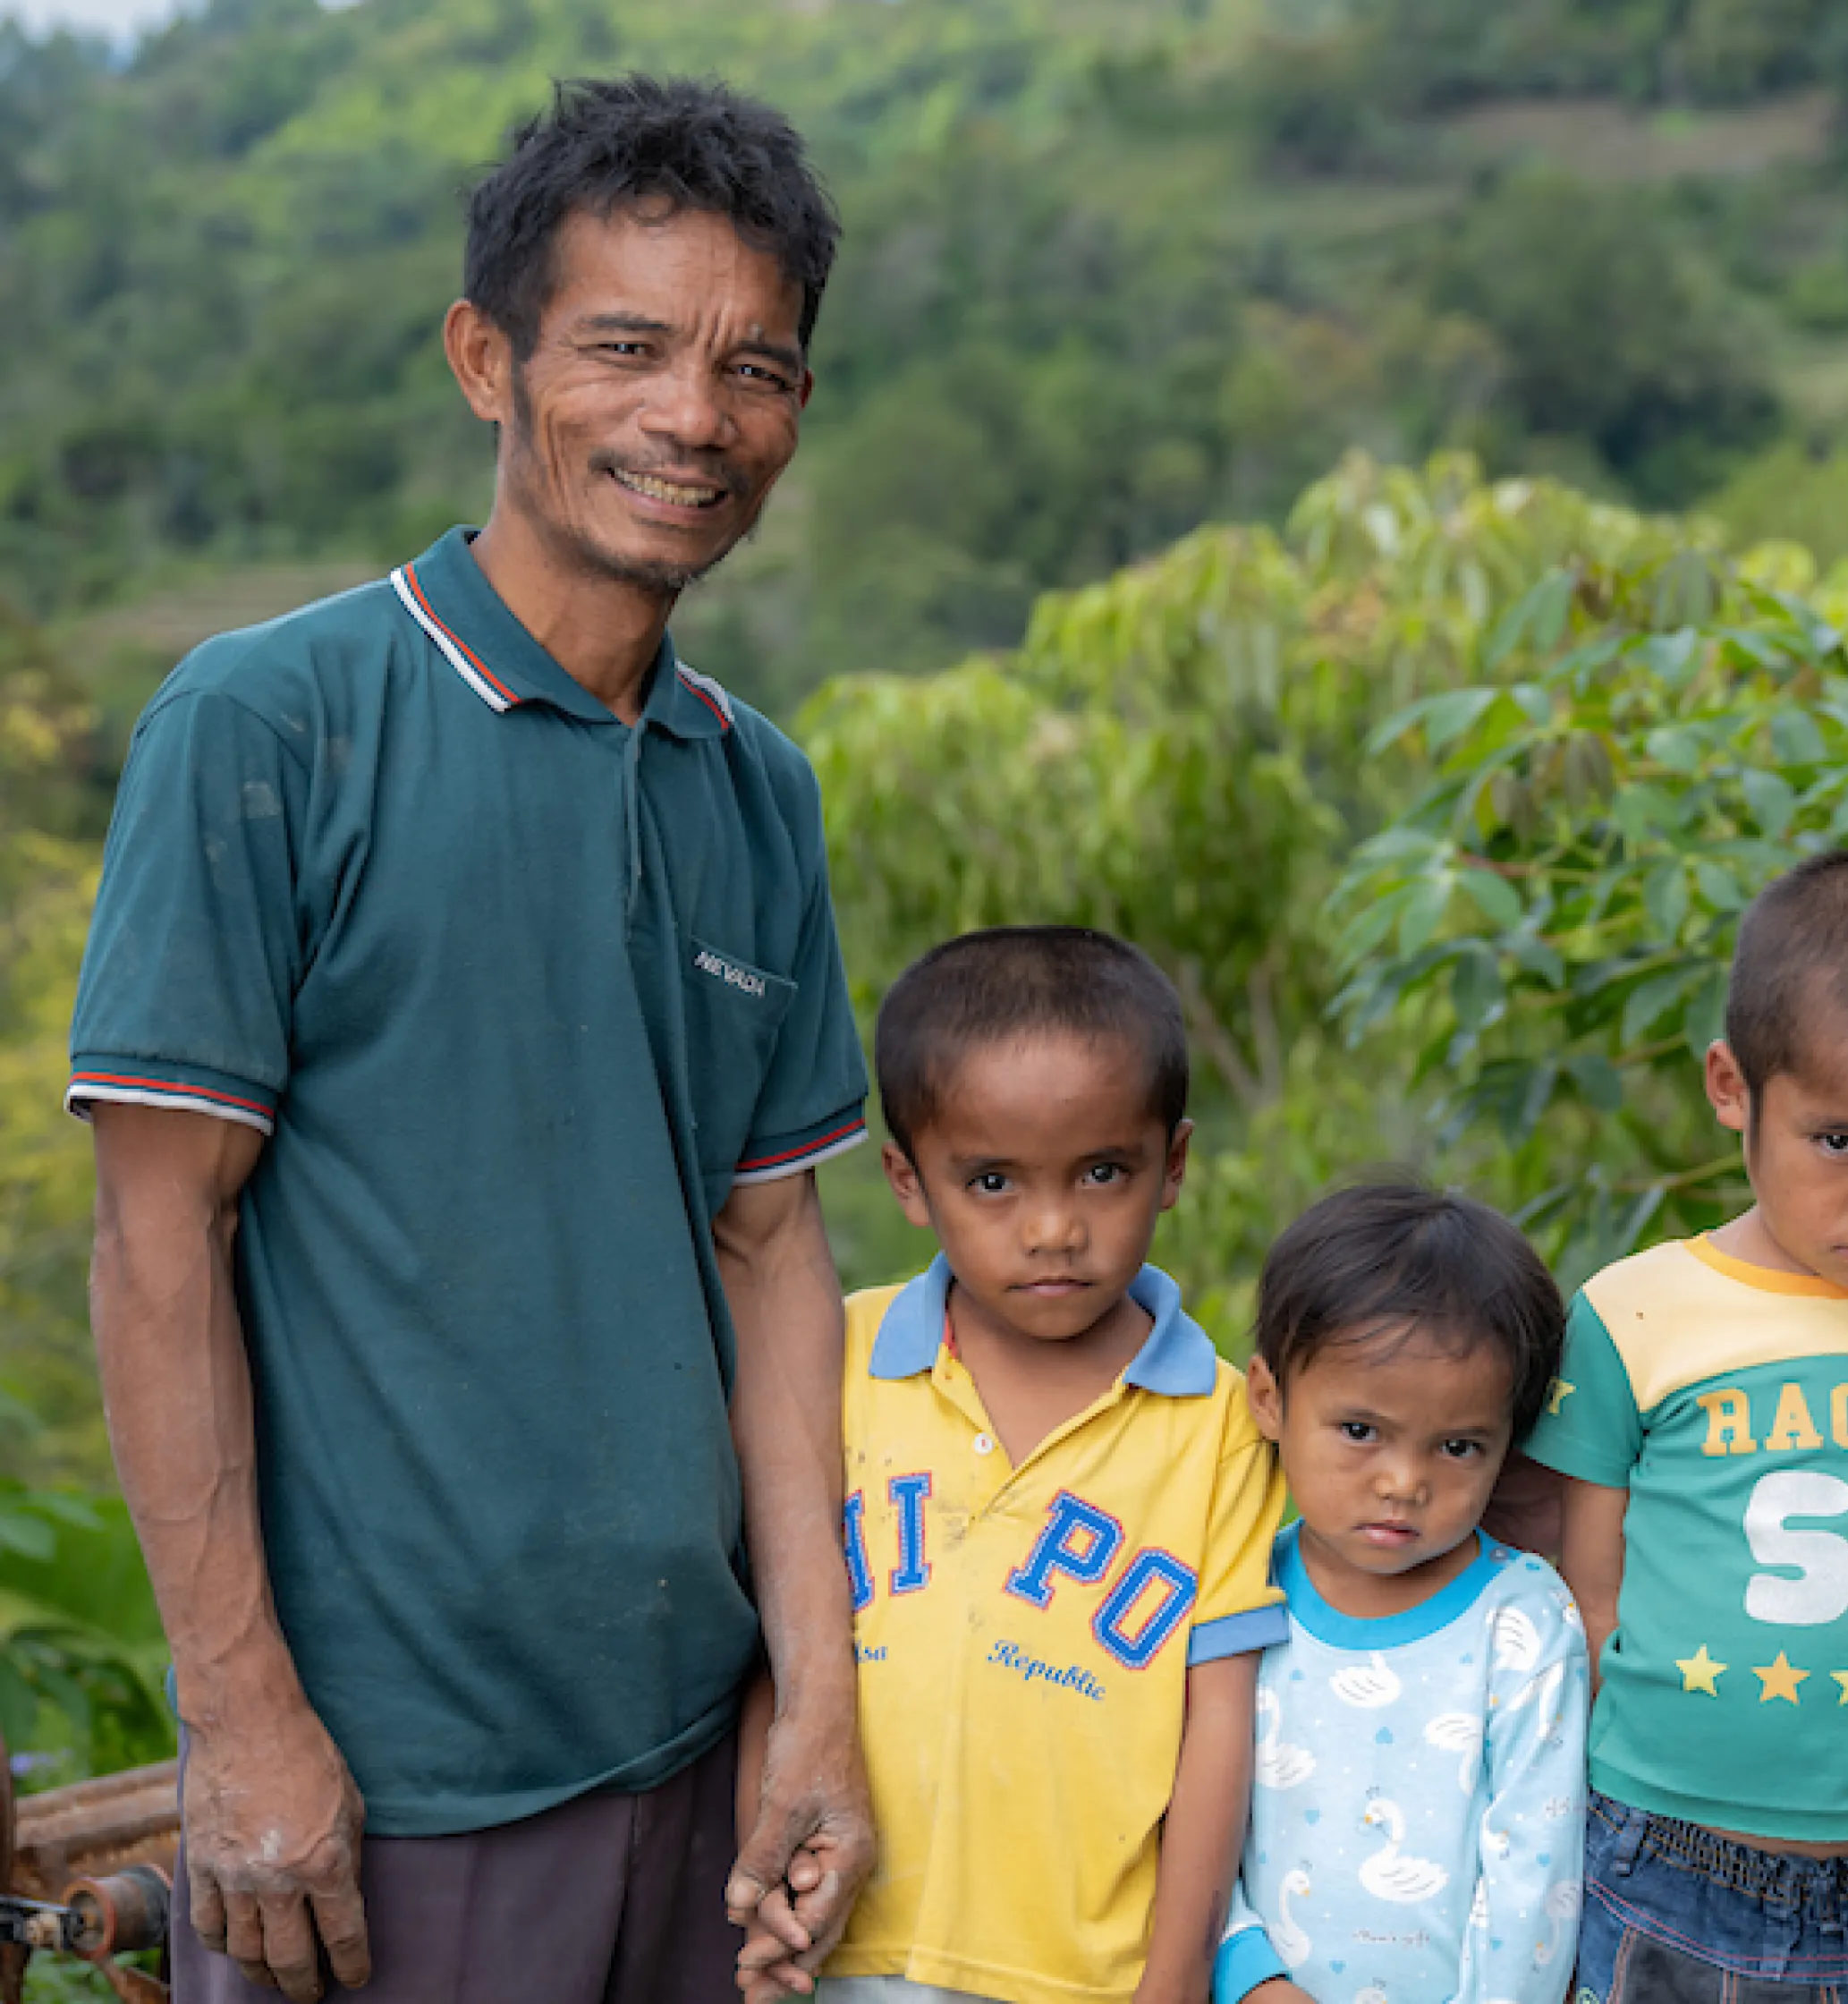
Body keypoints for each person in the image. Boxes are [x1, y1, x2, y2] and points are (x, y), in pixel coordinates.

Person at [67, 76, 871, 2004]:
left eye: (751, 366)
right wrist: (243, 1723)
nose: (694, 417)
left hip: (700, 1752)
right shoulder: (271, 724)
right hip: (387, 1788)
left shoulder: (754, 785)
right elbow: (154, 1241)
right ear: (485, 360)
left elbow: (774, 1261)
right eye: (626, 348)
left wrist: (819, 1710)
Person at [1522, 850, 1848, 2004]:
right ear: (1732, 1086)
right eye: (1839, 1139)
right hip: (1663, 1854)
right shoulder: (1633, 1310)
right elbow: (1588, 1595)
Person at [748, 927, 1285, 2004]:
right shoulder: (836, 1361)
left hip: (1088, 1973)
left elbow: (1219, 1723)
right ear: (907, 1180)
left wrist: (1176, 1977)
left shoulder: (1222, 1424)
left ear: (1172, 1165)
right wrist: (758, 1885)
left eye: (1102, 1171)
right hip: (845, 1946)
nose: (1052, 1227)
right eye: (992, 1179)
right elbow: (771, 1643)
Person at [1214, 1183, 1588, 2004]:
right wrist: (1250, 1979)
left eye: (1457, 1446)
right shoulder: (1235, 1596)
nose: (1404, 1481)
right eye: (1360, 1430)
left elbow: (1537, 1867)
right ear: (1270, 1399)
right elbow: (1189, 1813)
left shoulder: (1523, 1621)